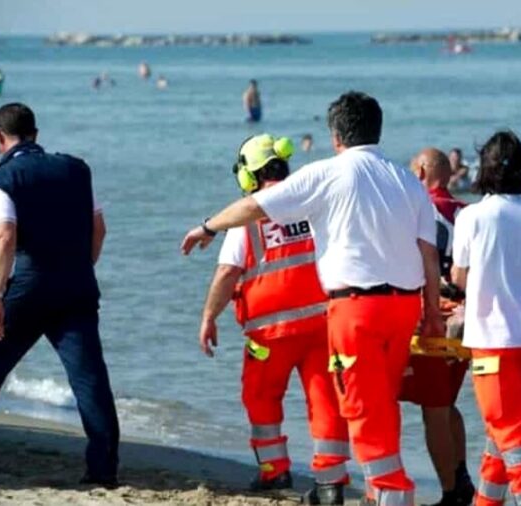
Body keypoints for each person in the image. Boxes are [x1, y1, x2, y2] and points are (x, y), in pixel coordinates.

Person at [181, 91, 444, 506]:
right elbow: (428, 254)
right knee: (378, 400)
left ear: (336, 136)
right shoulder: (407, 181)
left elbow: (251, 211)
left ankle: (391, 493)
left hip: (351, 311)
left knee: (359, 407)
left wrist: (207, 226)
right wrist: (432, 313)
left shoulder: (326, 175)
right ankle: (365, 488)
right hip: (402, 307)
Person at [0, 103, 120, 487]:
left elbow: (5, 236)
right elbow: (100, 228)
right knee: (90, 379)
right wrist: (83, 268)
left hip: (28, 288)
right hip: (77, 285)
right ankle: (103, 470)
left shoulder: (1, 177)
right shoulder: (77, 169)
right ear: (36, 134)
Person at [199, 134, 350, 503]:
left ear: (249, 177)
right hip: (321, 325)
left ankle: (275, 472)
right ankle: (331, 482)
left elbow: (226, 273)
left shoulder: (247, 216)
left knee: (262, 398)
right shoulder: (312, 205)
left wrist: (208, 317)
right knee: (326, 401)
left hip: (268, 336)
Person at [450, 131, 521, 506]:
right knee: (508, 434)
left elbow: (459, 278)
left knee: (512, 436)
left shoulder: (472, 216)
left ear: (483, 167)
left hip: (492, 343)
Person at [403, 148, 474, 506]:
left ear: (421, 172)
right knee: (446, 402)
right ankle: (460, 478)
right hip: (466, 320)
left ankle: (451, 493)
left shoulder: (416, 210)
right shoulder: (467, 212)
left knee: (433, 407)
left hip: (433, 319)